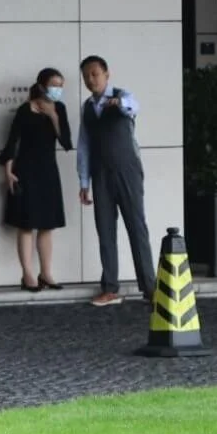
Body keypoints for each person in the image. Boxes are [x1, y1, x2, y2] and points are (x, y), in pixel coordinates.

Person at [77, 55, 156, 306]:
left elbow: (133, 106)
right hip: (100, 173)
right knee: (105, 230)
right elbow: (84, 146)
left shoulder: (123, 96)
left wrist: (119, 102)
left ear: (106, 74)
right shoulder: (87, 107)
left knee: (136, 227)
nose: (91, 80)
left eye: (95, 74)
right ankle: (110, 288)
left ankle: (150, 288)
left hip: (127, 170)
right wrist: (84, 181)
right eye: (86, 76)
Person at [0, 68, 73, 291]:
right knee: (26, 224)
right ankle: (28, 274)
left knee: (47, 225)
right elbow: (13, 141)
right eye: (53, 85)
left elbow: (67, 142)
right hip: (25, 170)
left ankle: (46, 273)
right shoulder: (25, 109)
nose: (57, 90)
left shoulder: (59, 108)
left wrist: (52, 116)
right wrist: (8, 171)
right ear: (41, 86)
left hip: (48, 171)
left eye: (60, 86)